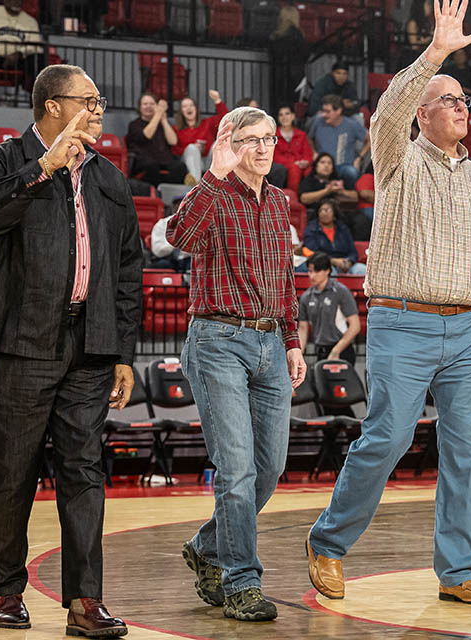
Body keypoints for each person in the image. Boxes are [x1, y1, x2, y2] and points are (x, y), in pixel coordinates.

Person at [306, 0, 471, 608]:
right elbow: (391, 107)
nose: (461, 108)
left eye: (464, 102)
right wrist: (436, 55)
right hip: (405, 320)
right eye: (448, 100)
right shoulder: (397, 157)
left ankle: (459, 570)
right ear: (421, 114)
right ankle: (329, 541)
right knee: (390, 436)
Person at [0, 64, 141, 637]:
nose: (98, 109)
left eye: (99, 99)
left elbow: (128, 269)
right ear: (52, 106)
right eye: (88, 99)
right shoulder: (0, 161)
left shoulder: (110, 178)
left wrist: (123, 352)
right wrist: (42, 169)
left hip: (88, 345)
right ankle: (6, 591)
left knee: (84, 471)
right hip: (19, 344)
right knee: (12, 471)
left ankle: (85, 601)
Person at [166, 106, 306, 622]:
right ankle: (241, 581)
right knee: (237, 469)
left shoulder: (279, 202)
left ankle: (208, 545)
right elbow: (177, 237)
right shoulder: (214, 193)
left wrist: (291, 339)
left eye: (269, 138)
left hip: (271, 342)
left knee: (268, 468)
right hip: (217, 339)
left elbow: (284, 278)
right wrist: (214, 174)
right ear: (229, 144)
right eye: (251, 140)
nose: (264, 148)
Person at [299, 252, 361, 364]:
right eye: (310, 271)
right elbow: (303, 328)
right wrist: (299, 353)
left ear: (327, 271)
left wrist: (336, 351)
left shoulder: (341, 291)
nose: (312, 276)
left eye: (317, 271)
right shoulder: (306, 296)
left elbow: (355, 325)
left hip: (341, 350)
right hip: (320, 350)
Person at [126, 92, 190, 187]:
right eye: (145, 104)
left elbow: (173, 141)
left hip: (165, 160)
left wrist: (163, 120)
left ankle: (169, 194)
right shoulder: (134, 124)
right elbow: (147, 135)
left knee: (180, 167)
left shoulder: (161, 123)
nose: (149, 106)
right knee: (152, 166)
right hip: (144, 162)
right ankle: (156, 194)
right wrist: (158, 114)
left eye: (152, 104)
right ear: (140, 107)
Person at [309, 95, 370, 184]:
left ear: (338, 111)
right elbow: (309, 139)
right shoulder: (318, 121)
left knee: (352, 172)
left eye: (327, 112)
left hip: (343, 166)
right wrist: (314, 151)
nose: (324, 114)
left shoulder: (351, 125)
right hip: (323, 166)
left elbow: (371, 140)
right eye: (323, 111)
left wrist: (359, 158)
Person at [173, 91, 226, 181]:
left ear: (196, 109)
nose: (188, 108)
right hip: (189, 161)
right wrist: (194, 148)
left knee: (218, 142)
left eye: (191, 105)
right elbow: (175, 150)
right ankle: (196, 185)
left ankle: (215, 181)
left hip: (208, 161)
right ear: (181, 111)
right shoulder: (176, 128)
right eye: (185, 106)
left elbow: (224, 119)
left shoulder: (207, 123)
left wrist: (217, 100)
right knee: (191, 148)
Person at [303, 199, 365, 275]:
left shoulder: (342, 228)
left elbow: (353, 252)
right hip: (324, 264)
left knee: (362, 270)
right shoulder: (311, 229)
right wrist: (333, 261)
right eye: (321, 210)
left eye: (327, 210)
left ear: (334, 213)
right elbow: (313, 253)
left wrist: (349, 261)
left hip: (344, 263)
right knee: (331, 272)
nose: (324, 213)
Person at [268, 5, 309, 106]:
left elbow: (271, 54)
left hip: (277, 76)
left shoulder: (275, 37)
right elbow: (306, 55)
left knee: (278, 106)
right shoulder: (299, 36)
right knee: (294, 106)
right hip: (296, 75)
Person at [297, 153, 358, 218]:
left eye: (329, 163)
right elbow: (304, 199)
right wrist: (327, 191)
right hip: (315, 214)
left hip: (337, 214)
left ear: (332, 168)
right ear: (316, 166)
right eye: (322, 162)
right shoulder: (309, 180)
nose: (326, 165)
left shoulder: (336, 181)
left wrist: (342, 191)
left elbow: (356, 197)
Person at [273, 104, 313, 192]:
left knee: (310, 171)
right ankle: (293, 198)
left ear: (293, 116)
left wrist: (305, 162)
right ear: (278, 118)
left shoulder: (301, 135)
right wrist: (294, 163)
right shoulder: (273, 135)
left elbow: (308, 154)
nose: (284, 117)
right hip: (283, 166)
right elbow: (274, 156)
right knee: (294, 170)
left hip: (300, 165)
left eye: (287, 114)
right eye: (281, 115)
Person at [441, 46, 471, 116]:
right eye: (457, 55)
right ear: (453, 57)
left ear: (466, 56)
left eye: (461, 54)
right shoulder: (447, 70)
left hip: (469, 97)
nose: (459, 57)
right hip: (452, 96)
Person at [394, 0, 432, 71]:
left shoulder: (426, 22)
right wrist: (429, 39)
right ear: (420, 7)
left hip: (423, 57)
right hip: (411, 58)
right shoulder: (412, 23)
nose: (430, 7)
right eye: (428, 4)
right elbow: (414, 45)